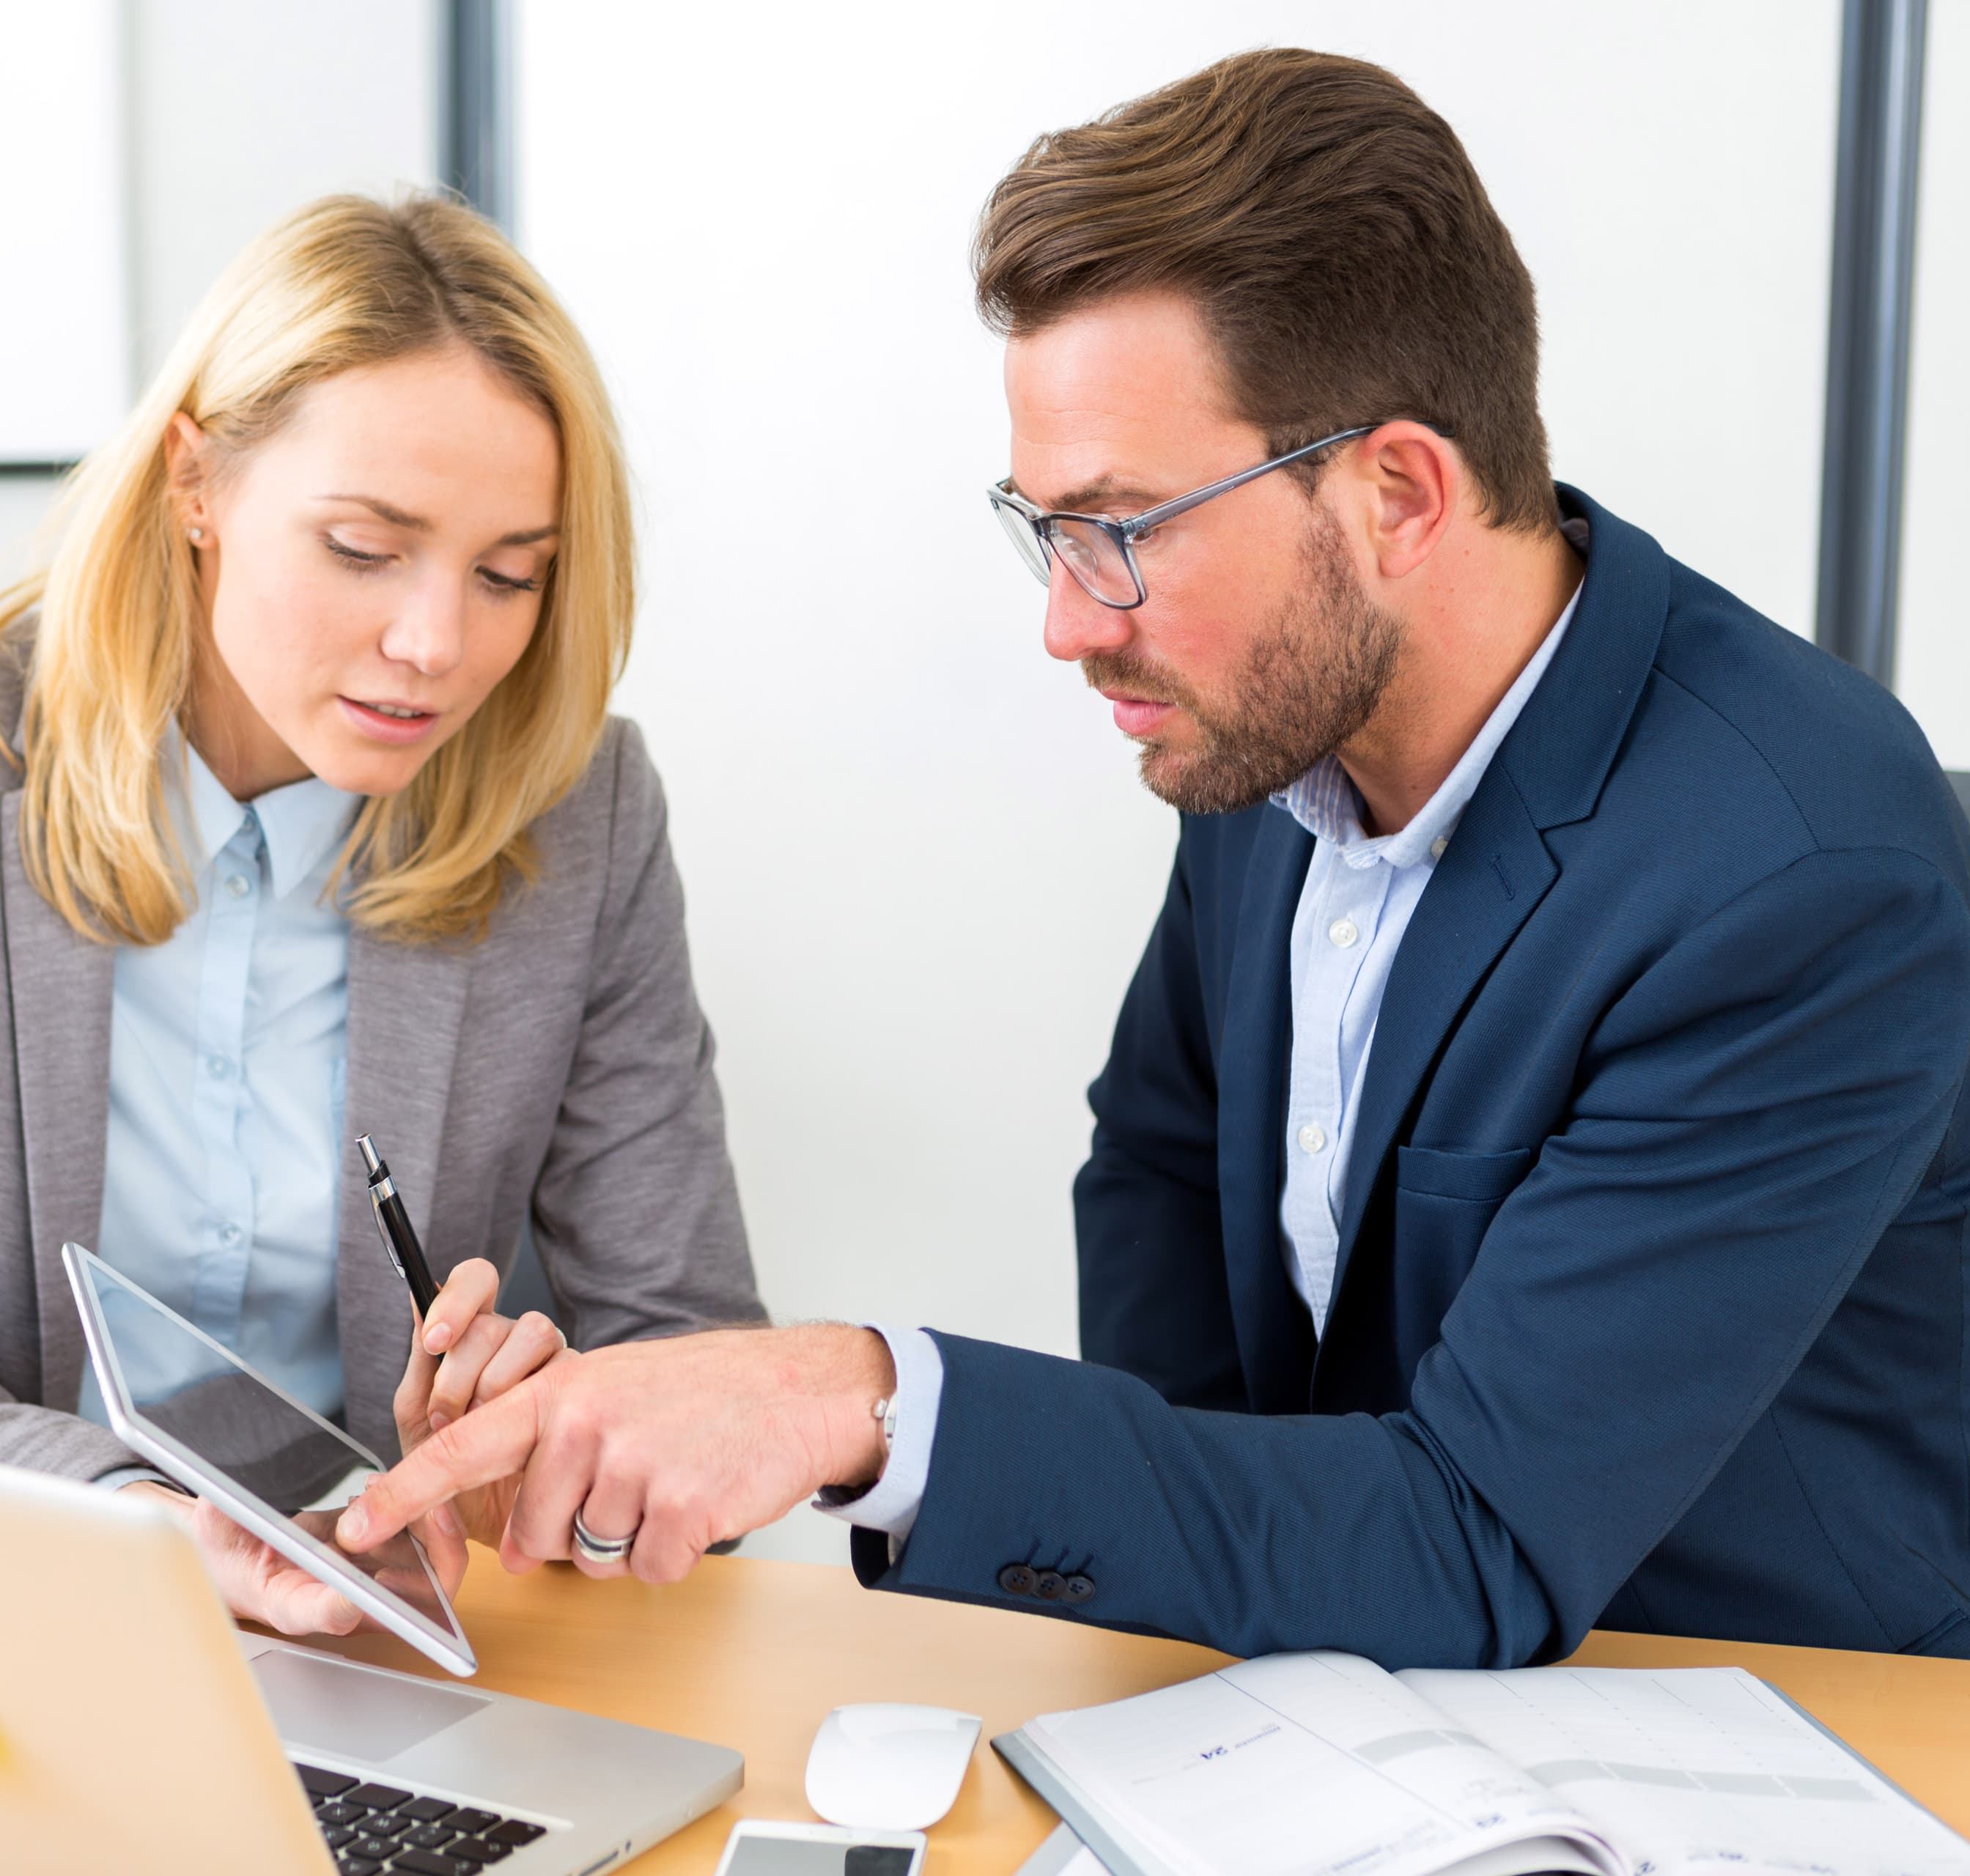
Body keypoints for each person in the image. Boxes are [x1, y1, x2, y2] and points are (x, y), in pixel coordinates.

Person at [340, 51, 1970, 1669]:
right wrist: (1216, 1588)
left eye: (1122, 530)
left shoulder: (1800, 876)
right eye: (1045, 529)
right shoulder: (1274, 722)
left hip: (1750, 1719)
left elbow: (1475, 1533)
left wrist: (865, 1398)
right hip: (1344, 1702)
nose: (1068, 623)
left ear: (1399, 493)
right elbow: (1163, 1159)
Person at [0, 193, 762, 1638]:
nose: (436, 644)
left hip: (392, 1630)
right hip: (18, 1596)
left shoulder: (580, 812)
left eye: (507, 573)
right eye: (364, 547)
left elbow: (697, 1367)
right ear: (194, 483)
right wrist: (146, 1527)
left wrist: (543, 1449)